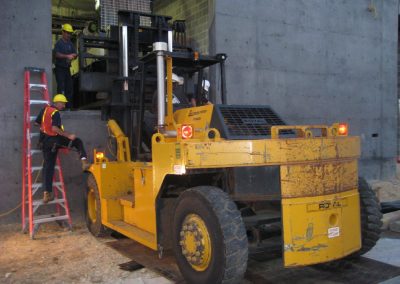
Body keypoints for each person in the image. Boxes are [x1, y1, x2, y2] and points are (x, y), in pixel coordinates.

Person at [35, 94, 89, 203]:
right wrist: (68, 135)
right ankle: (84, 162)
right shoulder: (55, 113)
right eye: (63, 103)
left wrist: (45, 129)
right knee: (77, 141)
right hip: (56, 141)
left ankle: (47, 194)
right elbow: (55, 128)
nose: (64, 106)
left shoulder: (44, 110)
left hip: (45, 143)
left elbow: (37, 123)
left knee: (48, 167)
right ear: (57, 102)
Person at [54, 23, 77, 109]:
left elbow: (75, 53)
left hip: (67, 69)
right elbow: (56, 54)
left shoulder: (70, 44)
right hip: (59, 68)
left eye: (70, 33)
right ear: (63, 32)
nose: (69, 35)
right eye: (67, 33)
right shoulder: (59, 43)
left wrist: (72, 56)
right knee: (61, 88)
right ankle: (60, 108)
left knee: (69, 88)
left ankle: (68, 108)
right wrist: (67, 56)